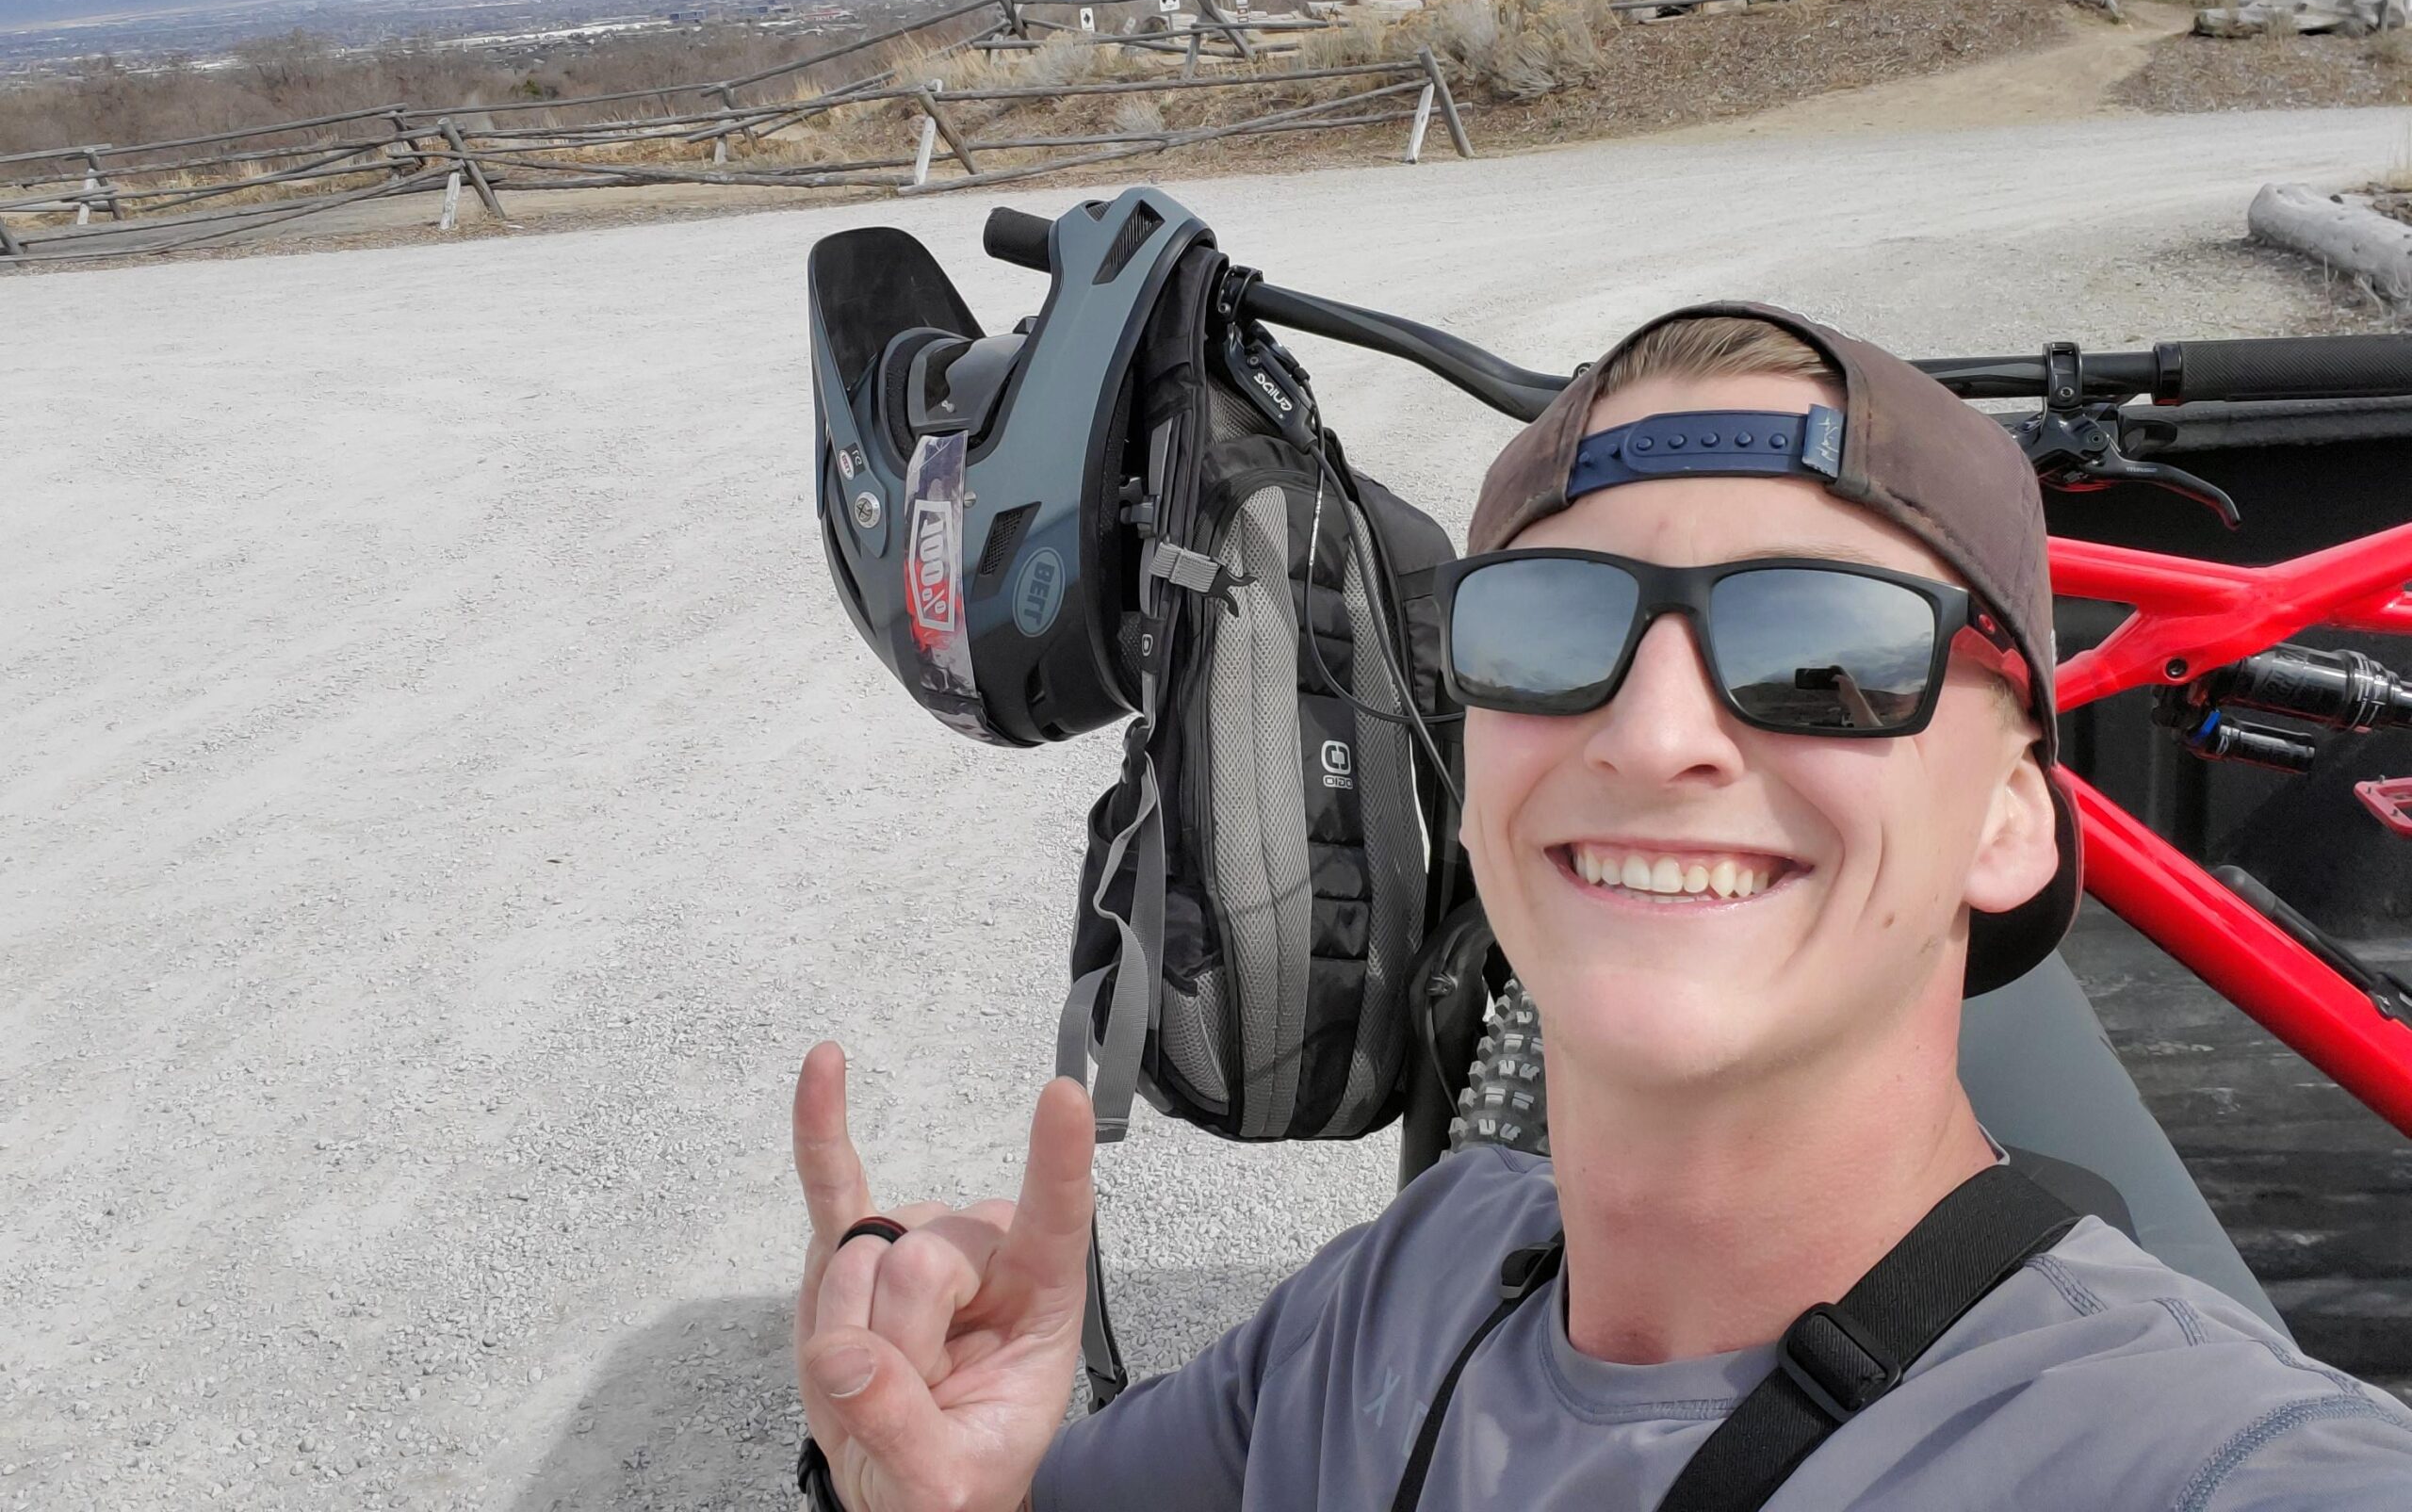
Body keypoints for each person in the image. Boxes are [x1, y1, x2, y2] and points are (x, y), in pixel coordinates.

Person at [790, 306, 2412, 1511]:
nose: (1652, 735)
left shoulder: (2210, 1466)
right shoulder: (1398, 1297)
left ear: (2011, 820)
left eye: (1818, 653)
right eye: (1554, 628)